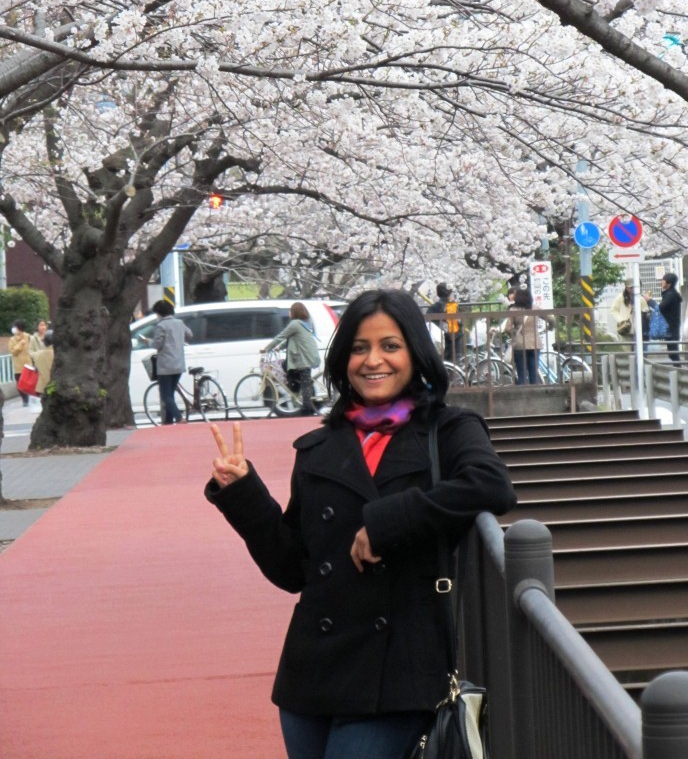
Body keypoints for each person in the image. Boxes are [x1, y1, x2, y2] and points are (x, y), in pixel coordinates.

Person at [205, 289, 516, 759]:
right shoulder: (319, 447)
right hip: (311, 678)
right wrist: (244, 494)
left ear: (415, 352)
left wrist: (385, 523)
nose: (374, 361)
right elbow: (292, 569)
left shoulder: (448, 430)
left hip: (398, 675)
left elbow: (492, 486)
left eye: (390, 346)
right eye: (359, 348)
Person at [262, 302, 321, 416]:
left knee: (301, 381)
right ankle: (302, 398)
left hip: (303, 358)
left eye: (290, 310)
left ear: (294, 312)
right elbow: (291, 339)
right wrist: (279, 348)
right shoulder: (305, 323)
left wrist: (267, 348)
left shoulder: (294, 324)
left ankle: (307, 408)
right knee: (296, 375)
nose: (289, 312)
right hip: (306, 356)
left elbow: (281, 336)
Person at [151, 300, 193, 424]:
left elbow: (157, 344)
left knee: (165, 396)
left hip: (165, 365)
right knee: (171, 394)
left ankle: (179, 417)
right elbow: (190, 334)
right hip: (179, 364)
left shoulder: (161, 326)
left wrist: (147, 341)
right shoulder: (179, 323)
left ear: (159, 313)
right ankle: (168, 422)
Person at [505, 287, 552, 385]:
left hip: (520, 344)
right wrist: (550, 328)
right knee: (533, 372)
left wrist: (515, 334)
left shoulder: (513, 310)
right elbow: (551, 318)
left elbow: (507, 328)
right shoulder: (535, 308)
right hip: (535, 343)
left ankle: (522, 395)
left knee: (521, 373)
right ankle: (535, 394)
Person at [426, 282, 463, 362]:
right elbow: (459, 323)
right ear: (450, 294)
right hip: (454, 340)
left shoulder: (433, 308)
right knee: (455, 364)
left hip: (439, 340)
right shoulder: (453, 306)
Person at [610, 280, 648, 348]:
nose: (633, 289)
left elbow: (645, 310)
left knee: (639, 351)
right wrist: (621, 320)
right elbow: (613, 310)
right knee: (627, 351)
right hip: (625, 328)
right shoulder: (620, 297)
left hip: (638, 328)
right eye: (631, 287)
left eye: (634, 287)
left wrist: (639, 311)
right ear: (627, 288)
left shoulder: (641, 298)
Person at [658, 273, 683, 366]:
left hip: (671, 327)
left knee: (673, 353)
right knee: (672, 353)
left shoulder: (670, 295)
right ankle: (679, 372)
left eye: (663, 280)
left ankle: (679, 373)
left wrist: (650, 301)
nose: (661, 282)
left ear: (669, 283)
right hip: (672, 327)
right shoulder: (671, 294)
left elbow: (661, 308)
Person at [8, 320, 32, 406]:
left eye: (15, 327)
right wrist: (20, 344)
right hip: (18, 366)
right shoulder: (12, 339)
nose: (13, 329)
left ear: (20, 328)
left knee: (30, 384)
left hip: (28, 365)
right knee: (20, 385)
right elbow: (13, 351)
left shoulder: (28, 337)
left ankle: (29, 399)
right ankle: (25, 399)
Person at [30, 329, 54, 395]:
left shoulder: (37, 355)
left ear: (44, 342)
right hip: (56, 387)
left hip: (42, 387)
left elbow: (30, 352)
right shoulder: (59, 354)